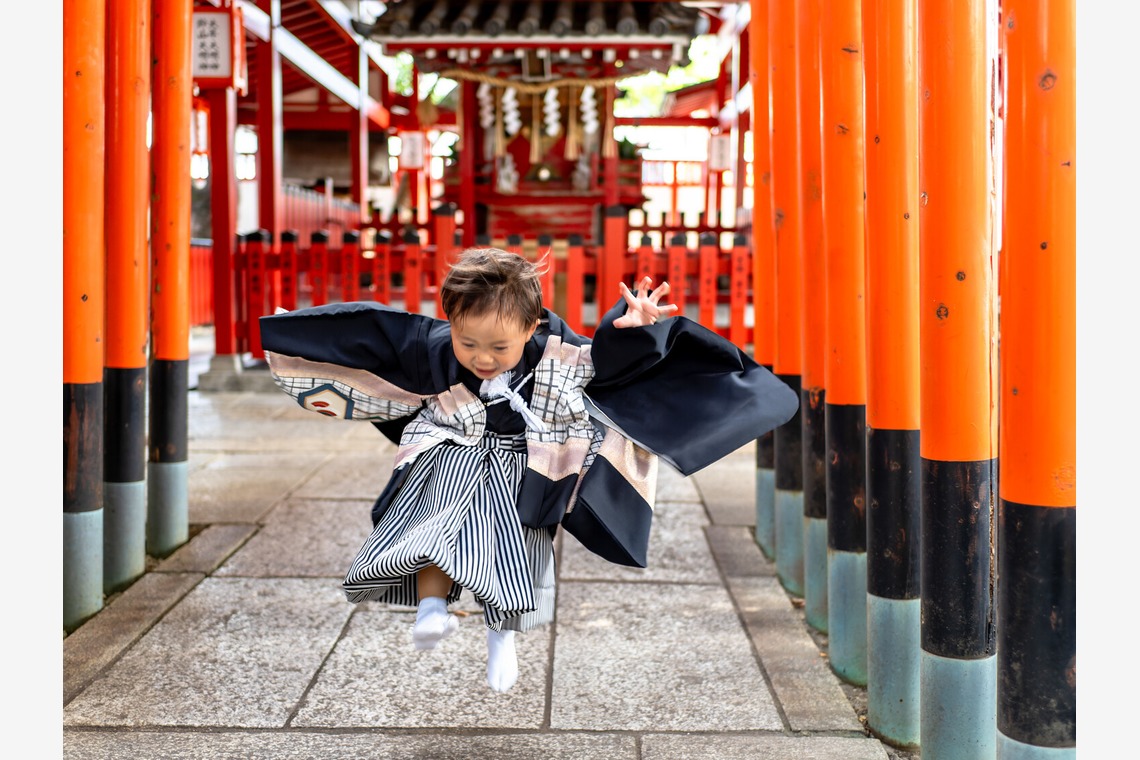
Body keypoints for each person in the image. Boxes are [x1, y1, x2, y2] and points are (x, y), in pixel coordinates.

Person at [259, 247, 798, 693]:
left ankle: (503, 640)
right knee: (430, 531)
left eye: (499, 346)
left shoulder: (557, 353)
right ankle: (430, 608)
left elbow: (605, 364)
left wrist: (630, 329)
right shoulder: (435, 349)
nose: (482, 357)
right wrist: (297, 336)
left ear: (531, 327)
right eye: (468, 342)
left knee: (513, 562)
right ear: (451, 324)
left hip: (525, 467)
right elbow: (368, 338)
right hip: (450, 449)